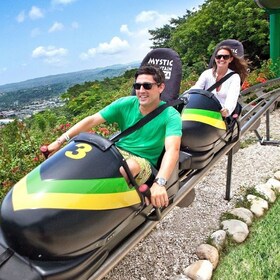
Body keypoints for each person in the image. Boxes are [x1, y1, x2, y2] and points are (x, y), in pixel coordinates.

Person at [47, 65, 182, 208]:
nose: (141, 91)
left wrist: (159, 183)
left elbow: (172, 150)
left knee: (128, 168)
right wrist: (60, 141)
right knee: (86, 157)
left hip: (142, 160)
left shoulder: (171, 115)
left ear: (160, 87)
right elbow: (92, 120)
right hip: (117, 151)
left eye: (147, 86)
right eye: (137, 86)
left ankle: (95, 205)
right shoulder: (125, 104)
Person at [191, 45, 248, 117]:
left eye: (225, 57)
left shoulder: (234, 77)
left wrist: (227, 110)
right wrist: (183, 97)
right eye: (219, 56)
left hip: (222, 115)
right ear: (215, 59)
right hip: (205, 111)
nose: (221, 59)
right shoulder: (207, 74)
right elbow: (196, 88)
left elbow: (232, 97)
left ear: (230, 59)